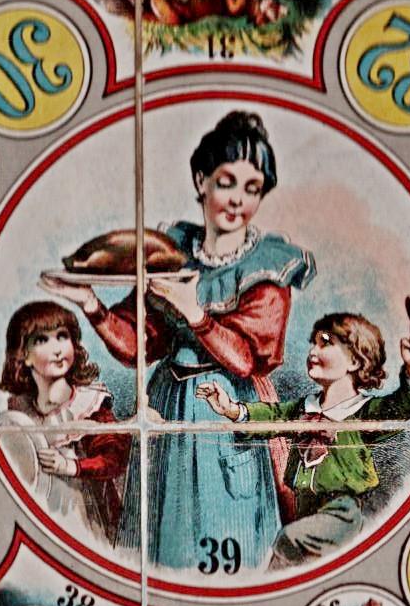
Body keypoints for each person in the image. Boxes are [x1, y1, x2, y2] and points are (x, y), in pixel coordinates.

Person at [42, 111, 316, 569]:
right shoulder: (171, 250)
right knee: (163, 536)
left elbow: (247, 360)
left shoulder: (268, 266)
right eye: (226, 183)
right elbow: (138, 345)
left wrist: (195, 313)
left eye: (252, 188)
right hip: (169, 401)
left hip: (229, 408)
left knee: (228, 528)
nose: (238, 200)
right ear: (201, 180)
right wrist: (91, 302)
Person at [196, 312, 410, 566]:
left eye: (325, 343)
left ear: (354, 360)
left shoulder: (363, 411)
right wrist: (231, 409)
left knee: (288, 541)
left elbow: (405, 406)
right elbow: (270, 416)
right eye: (313, 343)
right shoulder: (303, 408)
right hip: (304, 509)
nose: (313, 351)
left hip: (341, 512)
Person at [0, 300, 129, 543]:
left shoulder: (88, 404)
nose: (57, 349)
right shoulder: (19, 410)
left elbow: (115, 458)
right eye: (42, 340)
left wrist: (70, 466)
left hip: (81, 514)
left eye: (62, 337)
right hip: (34, 513)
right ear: (23, 355)